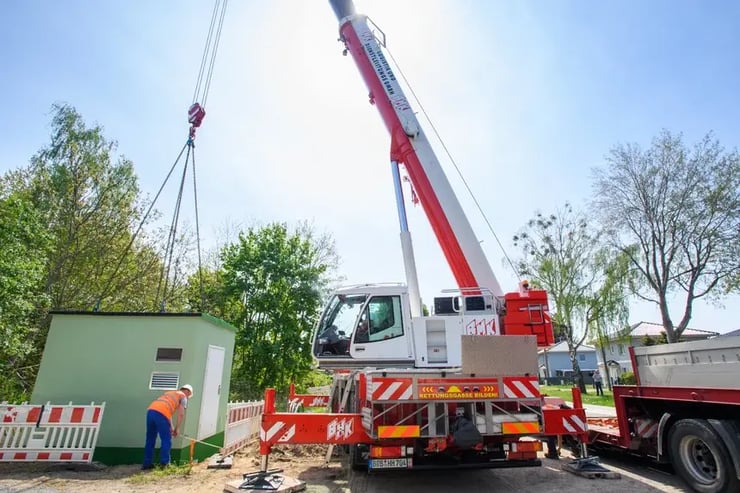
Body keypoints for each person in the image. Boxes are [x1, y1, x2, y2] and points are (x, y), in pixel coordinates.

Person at [142, 384, 193, 470]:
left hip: (151, 411)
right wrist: (177, 428)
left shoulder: (170, 393)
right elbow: (181, 414)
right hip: (162, 414)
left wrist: (172, 428)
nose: (187, 397)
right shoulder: (183, 396)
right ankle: (165, 464)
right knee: (166, 439)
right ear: (187, 391)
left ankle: (147, 464)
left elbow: (168, 413)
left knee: (150, 439)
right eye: (189, 395)